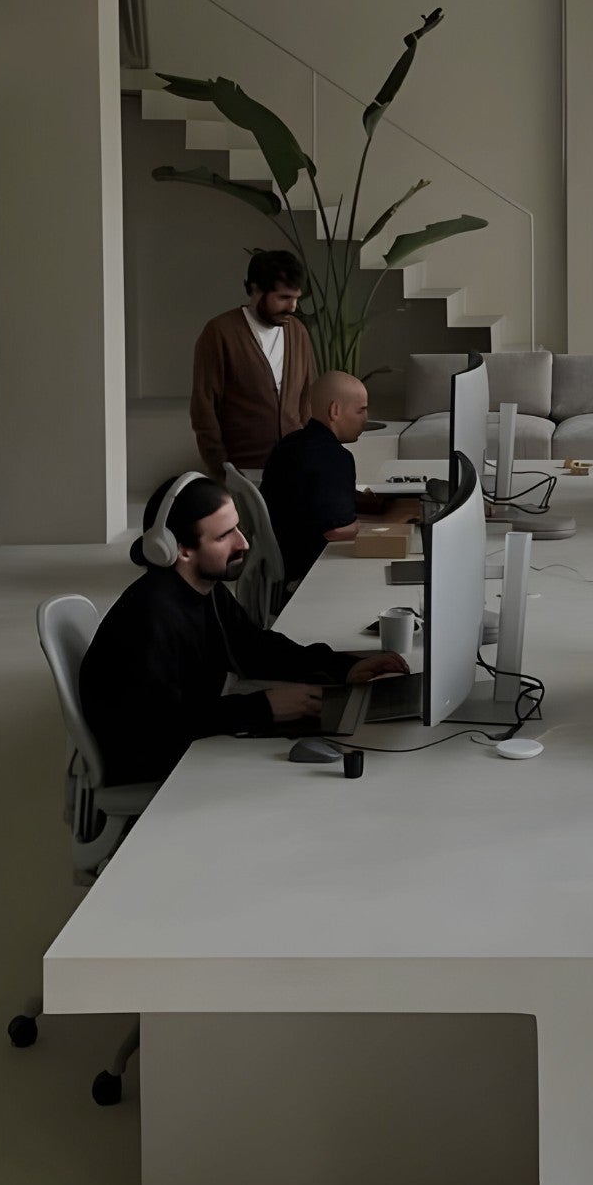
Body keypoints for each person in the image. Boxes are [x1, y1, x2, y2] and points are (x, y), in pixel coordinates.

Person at [80, 474, 407, 785]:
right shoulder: (151, 620)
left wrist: (345, 667)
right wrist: (265, 708)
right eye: (224, 536)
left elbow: (255, 648)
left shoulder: (203, 588)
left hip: (194, 733)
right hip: (156, 763)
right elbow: (160, 727)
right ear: (177, 548)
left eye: (237, 528)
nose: (243, 542)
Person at [260, 370, 421, 585]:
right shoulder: (334, 458)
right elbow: (336, 531)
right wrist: (392, 520)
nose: (366, 418)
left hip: (281, 557)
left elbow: (318, 500)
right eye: (361, 410)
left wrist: (379, 505)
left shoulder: (290, 443)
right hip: (307, 571)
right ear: (335, 411)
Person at [190, 250, 317, 479]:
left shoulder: (298, 332)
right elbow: (204, 408)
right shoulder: (220, 333)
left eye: (296, 298)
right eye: (283, 298)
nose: (293, 307)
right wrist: (222, 468)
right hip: (242, 471)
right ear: (255, 289)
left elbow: (308, 398)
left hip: (296, 468)